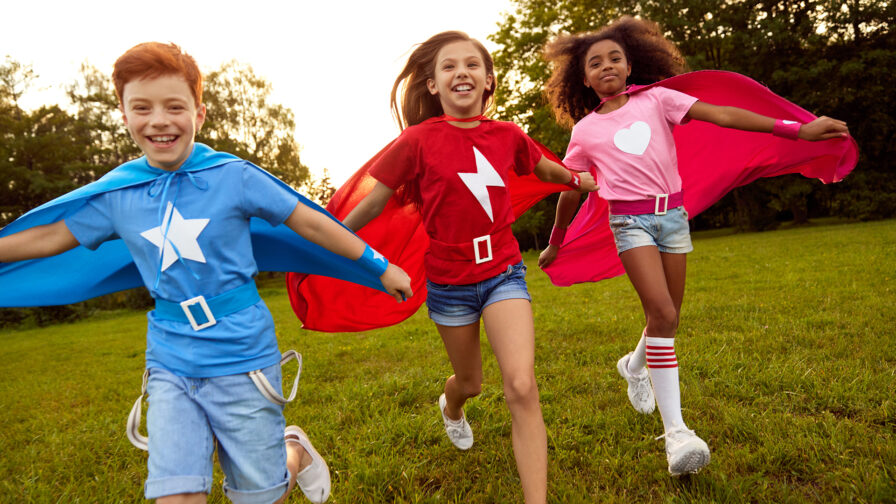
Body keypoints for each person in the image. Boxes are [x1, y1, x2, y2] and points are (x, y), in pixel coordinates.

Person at [0, 42, 412, 504]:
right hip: (171, 358)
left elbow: (310, 220)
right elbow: (49, 238)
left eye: (174, 106)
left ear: (199, 114)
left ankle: (293, 450)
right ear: (124, 115)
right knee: (175, 496)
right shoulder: (117, 195)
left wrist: (378, 265)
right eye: (142, 107)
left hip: (242, 354)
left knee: (261, 495)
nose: (159, 120)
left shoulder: (232, 176)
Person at [537, 17, 850, 477]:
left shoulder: (658, 100)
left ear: (630, 65)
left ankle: (634, 364)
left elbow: (722, 114)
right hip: (629, 223)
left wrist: (796, 130)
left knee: (669, 316)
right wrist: (556, 240)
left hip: (674, 218)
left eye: (615, 58)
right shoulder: (584, 132)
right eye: (595, 62)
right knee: (662, 315)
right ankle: (678, 435)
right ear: (583, 78)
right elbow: (570, 189)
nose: (607, 66)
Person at [338, 31, 596, 504]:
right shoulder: (416, 141)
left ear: (489, 80)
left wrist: (578, 179)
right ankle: (452, 406)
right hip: (449, 282)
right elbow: (375, 204)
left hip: (503, 272)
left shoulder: (508, 135)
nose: (462, 73)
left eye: (472, 65)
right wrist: (328, 240)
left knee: (521, 385)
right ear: (433, 85)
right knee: (472, 382)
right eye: (449, 66)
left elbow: (543, 169)